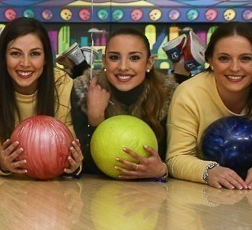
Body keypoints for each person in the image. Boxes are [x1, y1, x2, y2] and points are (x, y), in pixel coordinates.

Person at [166, 22, 252, 191]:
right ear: (210, 60)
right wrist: (208, 171)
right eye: (224, 58)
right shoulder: (189, 93)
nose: (235, 68)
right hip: (208, 199)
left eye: (245, 58)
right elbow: (177, 158)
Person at [0, 17, 82, 177]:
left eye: (35, 54)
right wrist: (2, 163)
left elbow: (70, 151)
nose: (25, 63)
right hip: (7, 187)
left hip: (52, 187)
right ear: (4, 57)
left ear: (45, 59)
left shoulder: (61, 83)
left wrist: (74, 164)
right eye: (16, 54)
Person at [72, 26, 176, 179]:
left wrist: (162, 170)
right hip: (98, 193)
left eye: (134, 58)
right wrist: (95, 118)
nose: (123, 67)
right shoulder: (84, 90)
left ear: (149, 63)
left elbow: (177, 158)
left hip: (153, 193)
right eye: (114, 57)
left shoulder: (170, 95)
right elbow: (85, 166)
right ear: (104, 61)